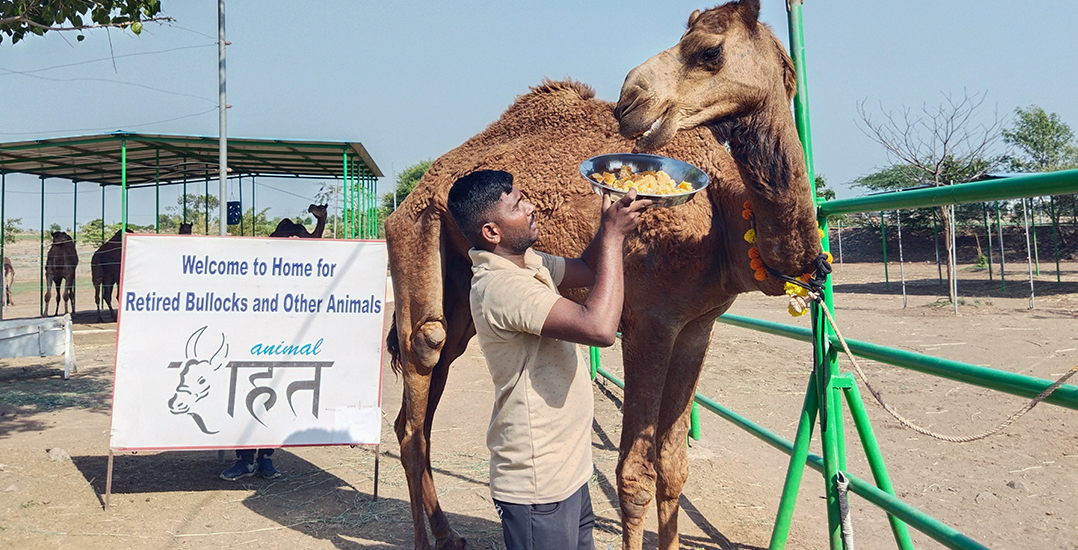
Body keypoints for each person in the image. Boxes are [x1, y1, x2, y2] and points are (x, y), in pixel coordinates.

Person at [446, 169, 650, 550]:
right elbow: (600, 328)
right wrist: (616, 236)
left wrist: (609, 219)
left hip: (568, 473)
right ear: (492, 232)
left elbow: (588, 269)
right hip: (537, 488)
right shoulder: (501, 287)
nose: (530, 206)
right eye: (517, 204)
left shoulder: (527, 264)